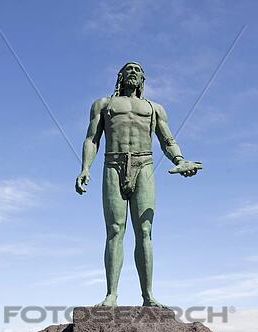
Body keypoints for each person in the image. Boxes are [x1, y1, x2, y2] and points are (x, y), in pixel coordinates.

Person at [75, 62, 201, 307]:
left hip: (144, 166)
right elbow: (92, 138)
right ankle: (111, 294)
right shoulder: (104, 105)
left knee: (145, 231)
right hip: (113, 165)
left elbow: (167, 139)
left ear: (143, 77)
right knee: (114, 231)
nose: (132, 71)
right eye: (128, 68)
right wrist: (85, 167)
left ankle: (148, 296)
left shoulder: (154, 108)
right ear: (120, 76)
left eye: (137, 69)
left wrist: (180, 160)